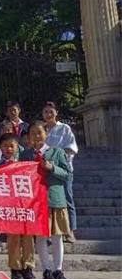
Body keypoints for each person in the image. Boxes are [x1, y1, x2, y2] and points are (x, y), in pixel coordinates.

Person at [20, 120, 72, 279]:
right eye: (33, 133)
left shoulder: (57, 152)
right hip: (35, 202)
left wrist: (53, 168)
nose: (37, 136)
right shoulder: (25, 155)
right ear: (28, 136)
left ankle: (58, 270)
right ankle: (46, 270)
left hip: (54, 199)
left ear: (46, 133)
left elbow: (67, 175)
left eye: (40, 132)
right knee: (41, 238)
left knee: (57, 237)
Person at [0, 133, 37, 279]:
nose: (9, 149)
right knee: (13, 239)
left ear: (17, 147)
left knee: (28, 238)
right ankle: (15, 269)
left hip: (25, 207)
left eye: (11, 146)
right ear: (0, 148)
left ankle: (28, 267)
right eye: (5, 146)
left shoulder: (25, 165)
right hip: (9, 208)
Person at [43, 102, 79, 243]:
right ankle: (52, 230)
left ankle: (70, 231)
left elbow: (71, 148)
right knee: (49, 201)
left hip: (63, 169)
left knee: (68, 199)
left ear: (56, 112)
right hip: (46, 170)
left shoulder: (64, 128)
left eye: (51, 111)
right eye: (46, 112)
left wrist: (56, 156)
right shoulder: (42, 129)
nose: (48, 114)